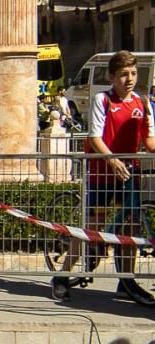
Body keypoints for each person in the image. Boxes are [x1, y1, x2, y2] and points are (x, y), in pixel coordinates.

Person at [52, 50, 155, 306]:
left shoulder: (142, 103)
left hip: (129, 174)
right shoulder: (103, 100)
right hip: (101, 174)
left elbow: (148, 140)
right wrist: (112, 159)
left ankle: (126, 281)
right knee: (91, 229)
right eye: (123, 75)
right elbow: (95, 136)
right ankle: (62, 276)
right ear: (112, 77)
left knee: (130, 229)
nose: (129, 79)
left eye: (133, 73)